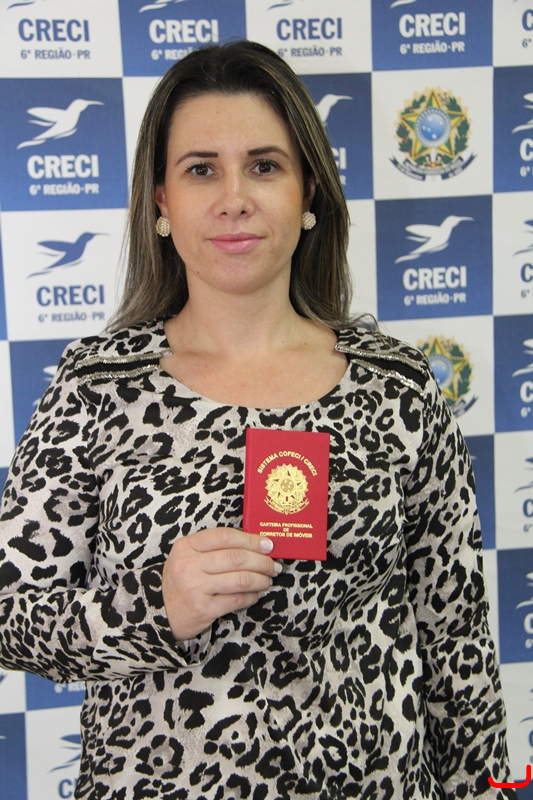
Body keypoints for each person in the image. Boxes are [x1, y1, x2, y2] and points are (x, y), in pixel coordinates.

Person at [0, 40, 516, 800]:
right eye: (200, 169)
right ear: (161, 201)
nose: (234, 197)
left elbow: (458, 644)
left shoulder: (397, 389)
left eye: (265, 166)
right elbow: (14, 619)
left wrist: (489, 790)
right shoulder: (96, 388)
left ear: (309, 192)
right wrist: (155, 608)